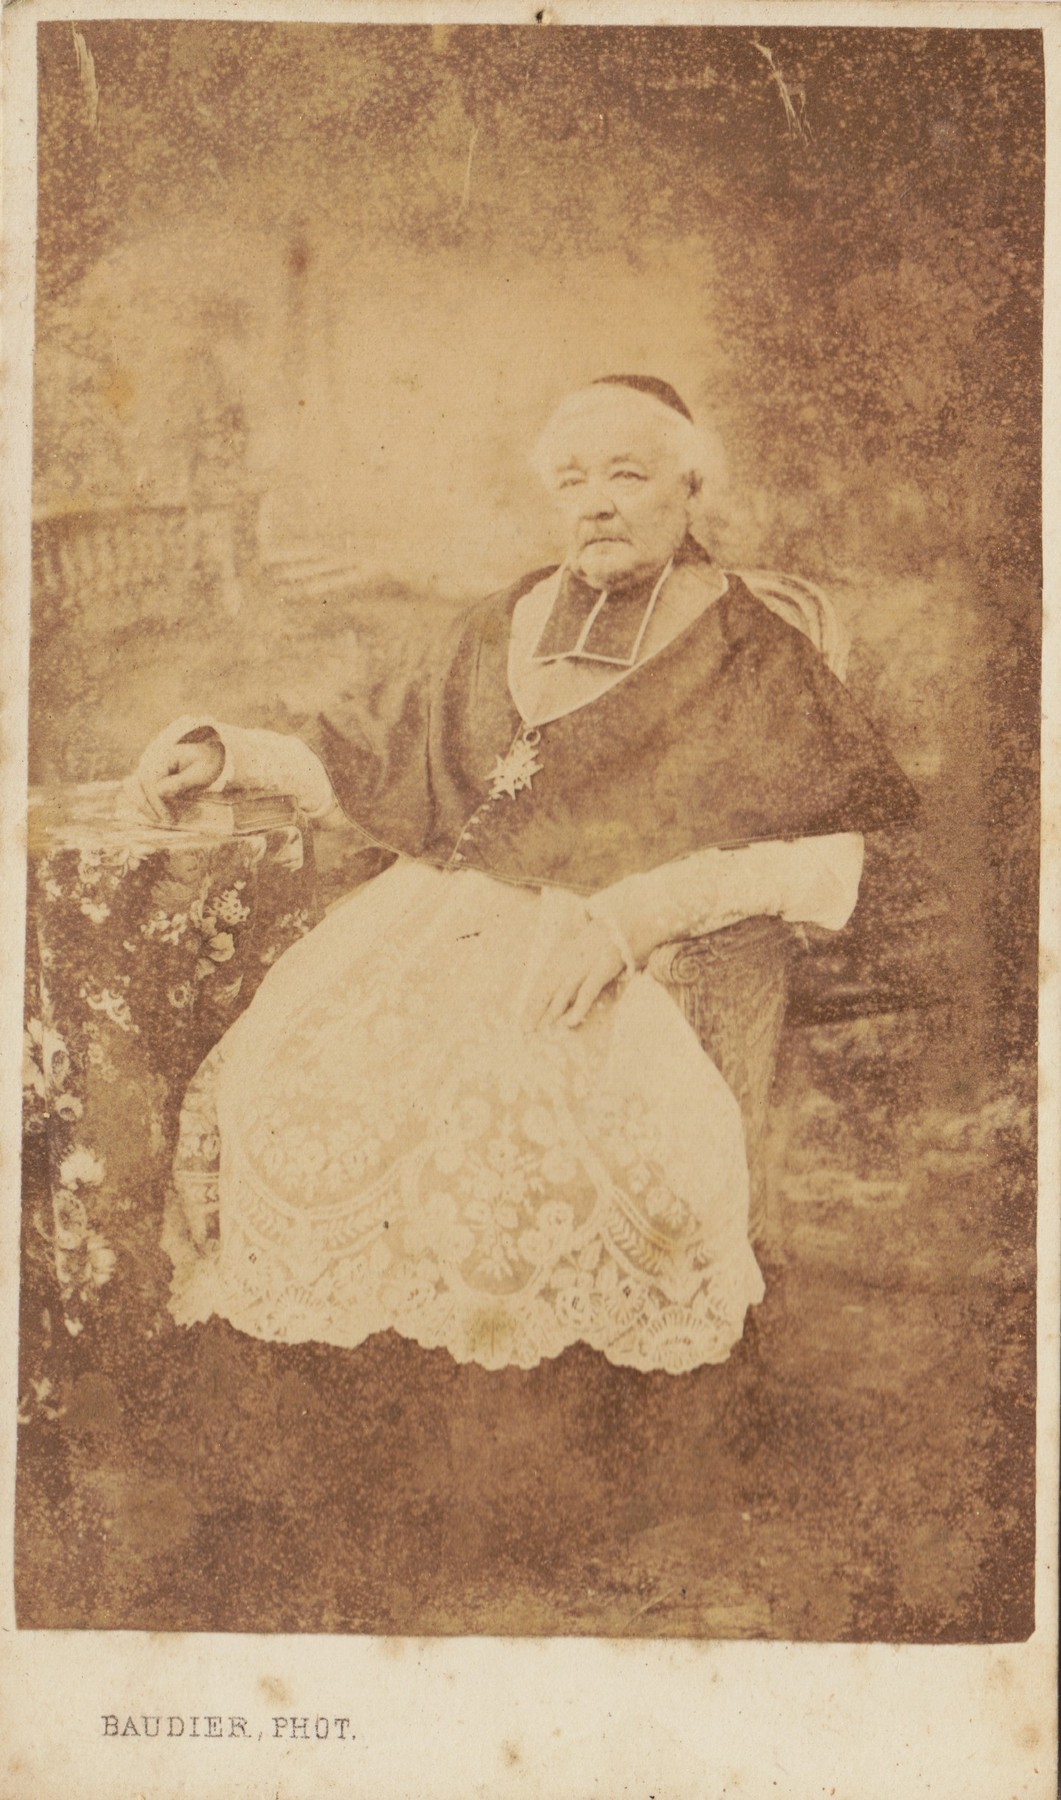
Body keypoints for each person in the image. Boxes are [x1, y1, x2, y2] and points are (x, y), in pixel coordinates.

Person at [133, 375, 918, 1375]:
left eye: (626, 476)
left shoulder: (750, 652)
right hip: (433, 925)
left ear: (690, 487)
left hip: (610, 952)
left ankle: (537, 1407)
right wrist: (225, 754)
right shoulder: (507, 618)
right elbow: (369, 754)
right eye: (572, 480)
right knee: (282, 1088)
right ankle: (375, 1383)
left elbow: (834, 856)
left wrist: (642, 912)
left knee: (518, 1137)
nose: (595, 504)